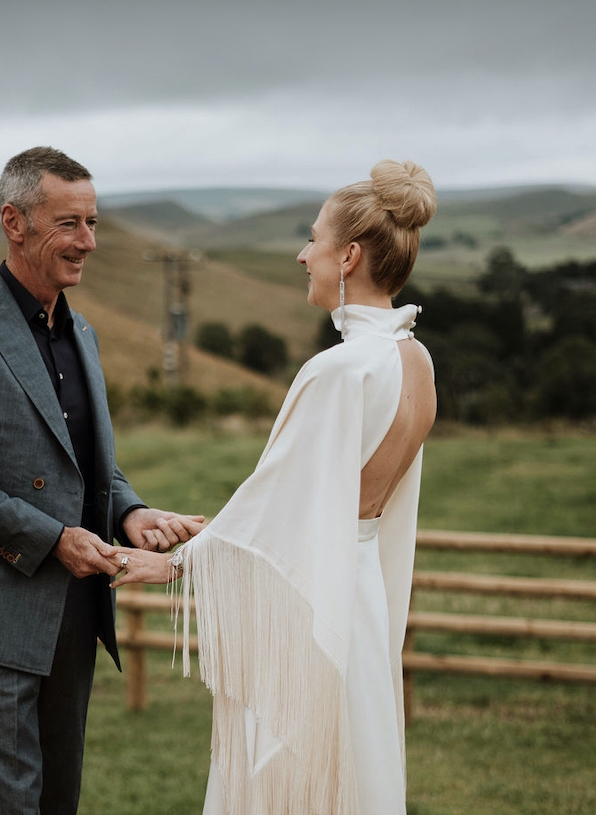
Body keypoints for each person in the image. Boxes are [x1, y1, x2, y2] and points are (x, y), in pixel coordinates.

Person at [114, 159, 438, 814]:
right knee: (355, 765)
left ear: (348, 256)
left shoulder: (338, 371)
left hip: (315, 600)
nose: (301, 254)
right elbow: (312, 503)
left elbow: (280, 503)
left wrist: (177, 561)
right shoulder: (415, 358)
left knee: (294, 778)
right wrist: (223, 530)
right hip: (364, 598)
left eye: (313, 239)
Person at [0, 146, 205, 815]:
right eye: (70, 223)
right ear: (15, 221)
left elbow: (89, 462)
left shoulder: (84, 333)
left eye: (92, 223)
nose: (88, 242)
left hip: (74, 614)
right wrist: (51, 537)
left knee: (59, 802)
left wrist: (130, 511)